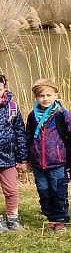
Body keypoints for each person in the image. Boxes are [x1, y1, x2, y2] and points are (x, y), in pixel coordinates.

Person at [25, 78, 71, 232]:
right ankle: (51, 218)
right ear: (36, 97)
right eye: (41, 96)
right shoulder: (32, 116)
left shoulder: (62, 114)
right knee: (44, 192)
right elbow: (28, 138)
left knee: (59, 191)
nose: (45, 99)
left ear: (56, 95)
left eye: (49, 95)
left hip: (57, 161)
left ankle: (60, 220)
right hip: (38, 163)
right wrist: (25, 159)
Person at [0, 73, 28, 231]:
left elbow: (20, 134)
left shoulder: (12, 108)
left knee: (11, 190)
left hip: (8, 157)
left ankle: (13, 219)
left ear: (5, 88)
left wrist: (22, 158)